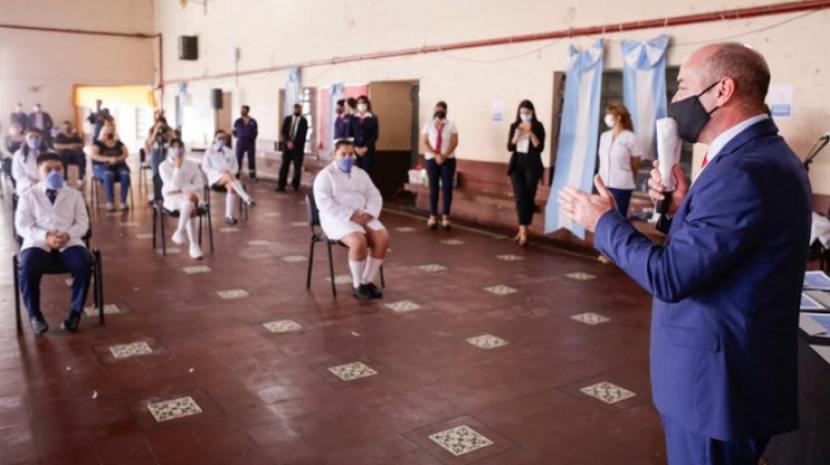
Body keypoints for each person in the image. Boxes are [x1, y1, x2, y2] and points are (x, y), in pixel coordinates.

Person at [558, 43, 811, 465]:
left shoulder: (744, 169)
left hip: (715, 386)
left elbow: (670, 276)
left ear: (722, 90)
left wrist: (603, 222)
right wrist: (681, 207)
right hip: (727, 377)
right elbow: (726, 245)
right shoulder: (756, 156)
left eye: (682, 88)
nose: (675, 101)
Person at [15, 152, 91, 334]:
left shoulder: (74, 194)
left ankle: (75, 313)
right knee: (27, 267)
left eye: (58, 169)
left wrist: (67, 235)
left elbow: (82, 223)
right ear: (38, 172)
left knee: (83, 264)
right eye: (48, 169)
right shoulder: (28, 195)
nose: (54, 173)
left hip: (69, 240)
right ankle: (35, 315)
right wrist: (46, 236)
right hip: (38, 242)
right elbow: (22, 225)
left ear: (64, 170)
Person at [313, 138, 389, 301]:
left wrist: (370, 213)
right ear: (334, 155)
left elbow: (374, 195)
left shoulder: (360, 174)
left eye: (350, 154)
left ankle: (366, 281)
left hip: (363, 215)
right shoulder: (325, 176)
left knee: (382, 237)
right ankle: (357, 285)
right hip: (337, 218)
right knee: (358, 241)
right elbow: (325, 204)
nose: (348, 158)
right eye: (343, 154)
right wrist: (350, 215)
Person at [506, 99, 545, 247]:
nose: (524, 115)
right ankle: (523, 230)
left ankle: (524, 227)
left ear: (532, 112)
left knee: (529, 197)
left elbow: (539, 148)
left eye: (527, 112)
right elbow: (509, 147)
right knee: (519, 197)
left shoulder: (538, 126)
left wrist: (530, 132)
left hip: (532, 165)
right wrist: (516, 136)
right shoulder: (514, 126)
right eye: (522, 112)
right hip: (517, 164)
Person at [160, 139, 205, 259]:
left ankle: (180, 232)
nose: (177, 150)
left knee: (190, 199)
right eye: (174, 147)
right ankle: (193, 245)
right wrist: (177, 167)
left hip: (191, 194)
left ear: (184, 150)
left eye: (180, 147)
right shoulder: (163, 166)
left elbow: (199, 184)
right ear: (169, 149)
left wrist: (183, 189)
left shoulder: (192, 165)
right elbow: (172, 186)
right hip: (172, 198)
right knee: (189, 205)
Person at [597, 103, 642, 217]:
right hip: (604, 182)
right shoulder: (604, 136)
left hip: (621, 184)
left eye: (610, 114)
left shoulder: (630, 137)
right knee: (604, 216)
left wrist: (632, 176)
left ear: (619, 117)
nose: (607, 117)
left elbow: (636, 162)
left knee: (618, 215)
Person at [202, 130, 255, 224]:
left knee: (231, 187)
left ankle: (229, 216)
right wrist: (219, 172)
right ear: (215, 139)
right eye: (219, 138)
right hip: (215, 179)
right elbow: (205, 167)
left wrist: (230, 173)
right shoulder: (209, 151)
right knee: (227, 176)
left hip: (230, 179)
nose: (221, 140)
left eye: (224, 138)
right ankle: (246, 198)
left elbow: (236, 168)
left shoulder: (230, 151)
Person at [421, 101, 459, 230]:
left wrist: (444, 155)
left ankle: (446, 217)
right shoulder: (428, 125)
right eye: (437, 109)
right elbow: (425, 142)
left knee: (447, 188)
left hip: (448, 159)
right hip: (432, 159)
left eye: (442, 109)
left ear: (446, 111)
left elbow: (454, 142)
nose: (439, 111)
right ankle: (433, 216)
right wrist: (436, 154)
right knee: (433, 187)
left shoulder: (451, 125)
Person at [91, 121, 131, 211]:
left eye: (111, 131)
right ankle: (110, 202)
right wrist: (108, 159)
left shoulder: (118, 143)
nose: (109, 133)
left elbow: (126, 153)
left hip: (118, 165)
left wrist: (117, 159)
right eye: (107, 131)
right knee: (108, 174)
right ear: (103, 132)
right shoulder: (97, 143)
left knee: (125, 174)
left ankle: (123, 201)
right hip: (101, 167)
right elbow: (94, 155)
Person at [277, 103, 309, 192]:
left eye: (298, 109)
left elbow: (303, 134)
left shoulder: (304, 121)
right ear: (293, 109)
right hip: (287, 147)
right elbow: (283, 131)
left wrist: (294, 143)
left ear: (301, 110)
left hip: (298, 148)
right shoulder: (287, 119)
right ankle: (281, 185)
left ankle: (295, 185)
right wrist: (288, 142)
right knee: (284, 166)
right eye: (295, 109)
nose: (297, 110)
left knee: (297, 167)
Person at [12, 128, 47, 194]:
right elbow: (18, 173)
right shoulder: (19, 154)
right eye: (31, 137)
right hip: (26, 184)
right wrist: (31, 183)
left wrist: (42, 182)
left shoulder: (49, 153)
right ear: (26, 139)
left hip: (45, 183)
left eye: (37, 137)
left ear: (41, 138)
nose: (34, 140)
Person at [351, 95, 379, 175]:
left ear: (367, 104)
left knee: (366, 173)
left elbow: (375, 136)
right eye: (359, 103)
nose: (361, 105)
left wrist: (366, 148)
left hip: (369, 151)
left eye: (363, 103)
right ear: (357, 105)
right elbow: (350, 134)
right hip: (355, 150)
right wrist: (355, 147)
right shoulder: (353, 118)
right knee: (355, 173)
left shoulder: (373, 118)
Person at [53, 121, 86, 186]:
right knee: (63, 158)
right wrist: (69, 146)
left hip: (76, 155)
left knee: (81, 157)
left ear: (71, 128)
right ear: (62, 128)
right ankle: (65, 179)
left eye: (68, 128)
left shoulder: (75, 135)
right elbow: (56, 146)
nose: (67, 129)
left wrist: (75, 145)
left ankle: (81, 178)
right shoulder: (59, 136)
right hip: (64, 154)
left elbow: (82, 144)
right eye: (65, 128)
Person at [233, 105, 258, 181]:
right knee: (238, 158)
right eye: (241, 110)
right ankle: (237, 175)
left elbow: (255, 132)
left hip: (250, 143)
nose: (242, 111)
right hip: (240, 143)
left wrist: (251, 138)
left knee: (251, 159)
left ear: (247, 111)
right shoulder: (237, 121)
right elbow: (234, 131)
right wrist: (238, 137)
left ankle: (252, 176)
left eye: (244, 110)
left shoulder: (253, 121)